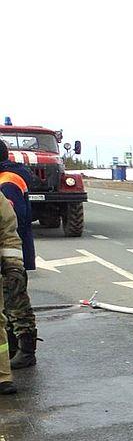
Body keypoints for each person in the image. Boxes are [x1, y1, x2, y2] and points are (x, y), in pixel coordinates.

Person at [0, 140, 38, 368]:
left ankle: (26, 350)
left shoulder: (7, 181)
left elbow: (14, 219)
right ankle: (13, 347)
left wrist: (11, 261)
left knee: (15, 301)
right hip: (11, 251)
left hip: (10, 254)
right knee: (7, 303)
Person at [0, 142, 27, 393]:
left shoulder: (4, 185)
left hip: (4, 265)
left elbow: (9, 230)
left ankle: (3, 375)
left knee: (5, 316)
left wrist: (14, 267)